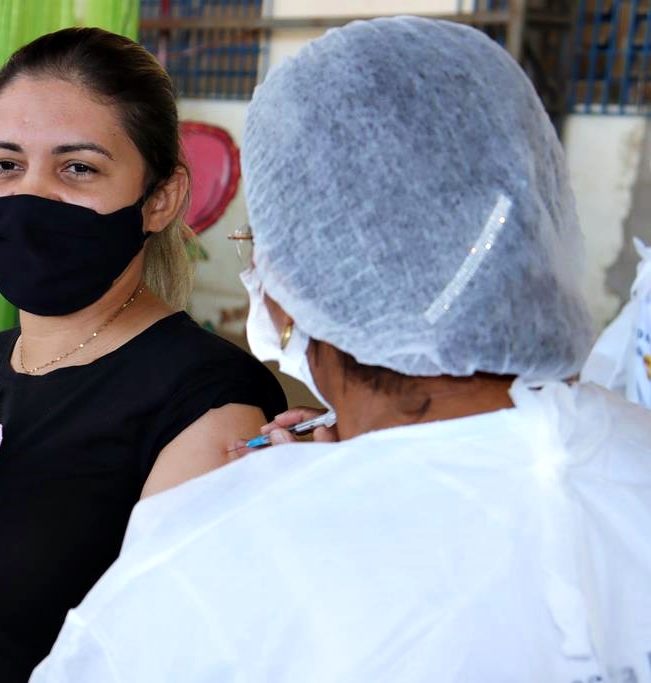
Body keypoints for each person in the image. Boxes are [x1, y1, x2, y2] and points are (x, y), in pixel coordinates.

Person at [32, 17, 651, 682]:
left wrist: (310, 493)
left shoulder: (215, 562)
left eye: (258, 248)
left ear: (300, 276)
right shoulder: (627, 456)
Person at [0, 27, 286, 682]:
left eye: (78, 167)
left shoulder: (209, 404)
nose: (30, 195)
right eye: (4, 164)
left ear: (159, 198)